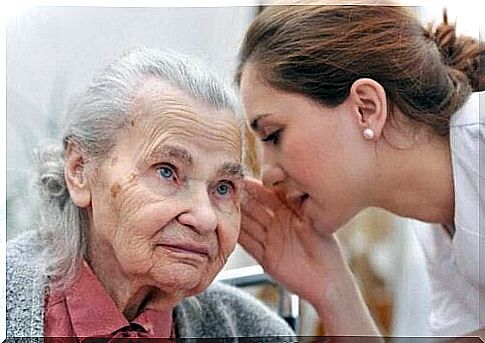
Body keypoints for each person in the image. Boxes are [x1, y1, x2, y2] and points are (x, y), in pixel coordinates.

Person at [6, 47, 295, 339]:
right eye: (167, 171)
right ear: (80, 170)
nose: (205, 218)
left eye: (223, 188)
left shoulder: (256, 332)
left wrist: (330, 292)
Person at [236, 2, 484, 338]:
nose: (267, 174)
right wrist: (335, 293)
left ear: (367, 108)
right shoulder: (438, 229)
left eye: (274, 135)